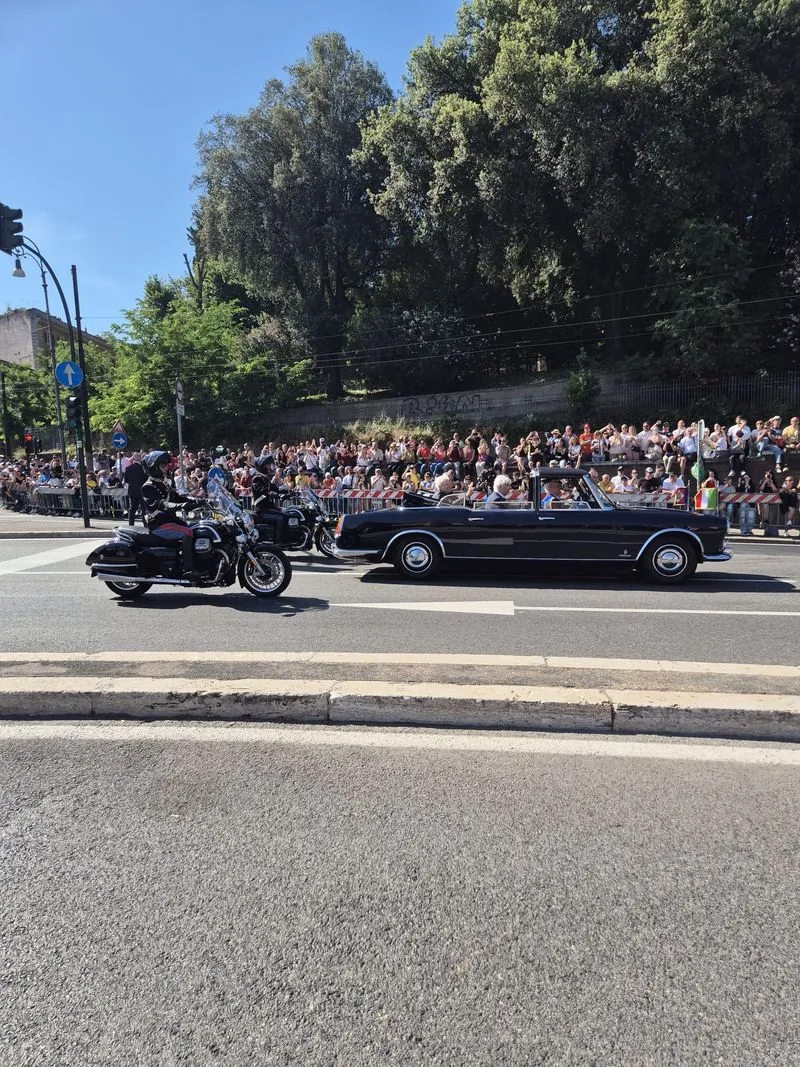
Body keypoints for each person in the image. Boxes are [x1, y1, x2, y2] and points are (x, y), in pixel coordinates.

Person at [140, 450, 199, 579]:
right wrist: (182, 506)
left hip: (170, 521)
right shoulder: (148, 487)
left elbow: (177, 497)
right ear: (153, 468)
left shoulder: (163, 483)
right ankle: (188, 569)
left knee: (198, 529)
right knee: (187, 533)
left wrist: (196, 501)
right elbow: (163, 504)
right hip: (159, 524)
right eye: (162, 466)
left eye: (165, 466)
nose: (166, 468)